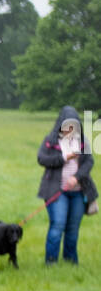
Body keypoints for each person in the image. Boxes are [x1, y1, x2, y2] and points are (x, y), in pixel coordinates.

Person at [38, 106, 98, 264]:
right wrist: (64, 157)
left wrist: (77, 178)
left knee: (72, 229)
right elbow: (42, 159)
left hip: (78, 192)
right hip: (57, 191)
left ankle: (70, 262)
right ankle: (50, 262)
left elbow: (89, 162)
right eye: (67, 126)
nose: (70, 130)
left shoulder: (82, 142)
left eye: (74, 126)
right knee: (57, 225)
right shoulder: (51, 141)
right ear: (61, 125)